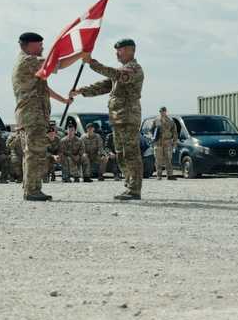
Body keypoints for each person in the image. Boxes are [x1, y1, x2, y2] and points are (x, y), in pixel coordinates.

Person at [70, 38, 146, 201]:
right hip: (117, 118)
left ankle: (135, 189)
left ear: (131, 50)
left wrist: (92, 63)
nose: (117, 53)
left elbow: (118, 75)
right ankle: (129, 184)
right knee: (120, 154)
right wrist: (82, 91)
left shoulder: (134, 69)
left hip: (128, 117)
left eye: (121, 50)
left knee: (130, 153)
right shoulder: (120, 71)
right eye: (117, 50)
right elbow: (105, 85)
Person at [13, 32, 79, 202]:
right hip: (32, 115)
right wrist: (82, 53)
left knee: (31, 152)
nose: (43, 48)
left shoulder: (30, 64)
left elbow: (44, 89)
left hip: (30, 115)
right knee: (35, 152)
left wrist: (63, 100)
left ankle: (30, 187)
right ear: (28, 45)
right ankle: (33, 190)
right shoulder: (28, 61)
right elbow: (58, 64)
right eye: (39, 45)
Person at [152, 106, 177, 180]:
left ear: (166, 111)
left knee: (168, 159)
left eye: (163, 111)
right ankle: (159, 175)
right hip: (158, 142)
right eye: (160, 111)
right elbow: (151, 130)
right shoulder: (156, 120)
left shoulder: (170, 121)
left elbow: (174, 132)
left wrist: (174, 142)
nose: (161, 112)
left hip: (167, 142)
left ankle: (169, 175)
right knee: (158, 160)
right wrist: (152, 138)